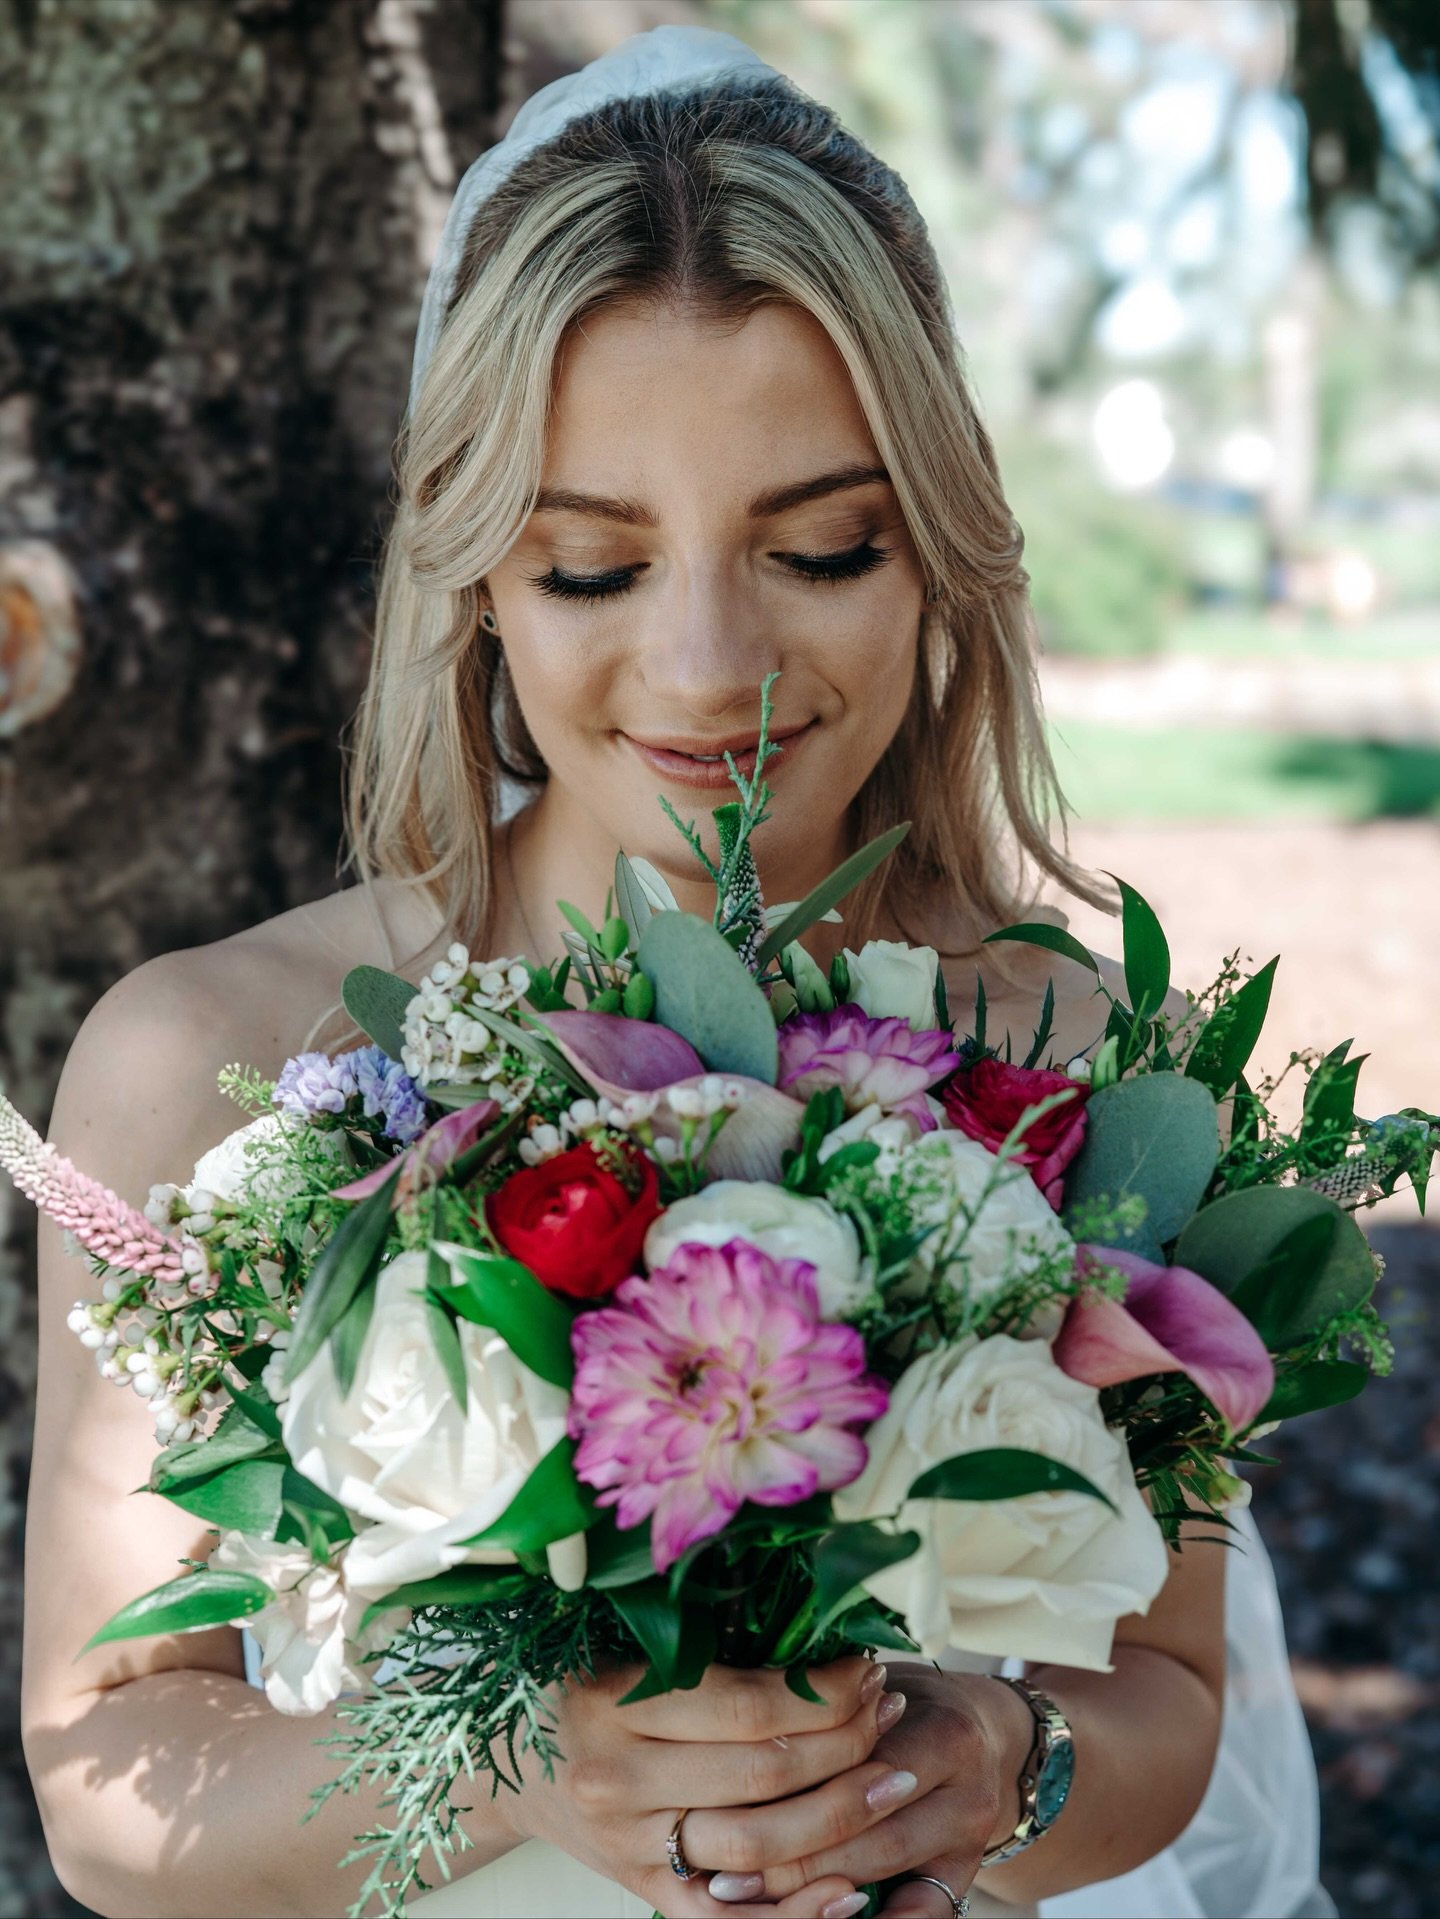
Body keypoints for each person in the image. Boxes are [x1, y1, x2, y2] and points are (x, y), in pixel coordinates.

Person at [21, 26, 1333, 1919]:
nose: (712, 666)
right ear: (470, 571)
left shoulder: (1069, 1051)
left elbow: (1168, 1691)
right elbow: (110, 1788)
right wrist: (522, 1768)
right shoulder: (209, 1061)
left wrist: (997, 1769)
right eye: (589, 571)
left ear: (939, 552)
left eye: (819, 546)